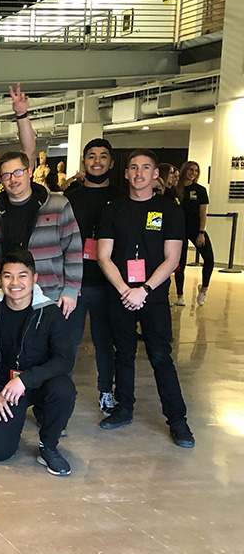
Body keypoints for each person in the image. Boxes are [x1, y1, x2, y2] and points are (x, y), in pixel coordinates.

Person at [96, 150, 194, 448]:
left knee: (161, 357)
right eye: (134, 167)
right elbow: (103, 256)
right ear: (126, 173)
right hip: (121, 295)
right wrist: (125, 290)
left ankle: (177, 420)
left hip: (154, 296)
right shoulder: (112, 209)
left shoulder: (170, 209)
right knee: (123, 354)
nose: (139, 173)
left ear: (155, 174)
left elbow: (172, 258)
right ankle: (124, 408)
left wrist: (145, 290)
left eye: (146, 168)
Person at [0, 250, 77, 476]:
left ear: (34, 278)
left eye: (22, 275)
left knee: (64, 389)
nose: (15, 283)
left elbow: (64, 360)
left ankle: (48, 446)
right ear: (0, 278)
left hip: (37, 384)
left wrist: (25, 380)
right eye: (8, 276)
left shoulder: (50, 312)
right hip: (3, 388)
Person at [0, 150, 82, 319]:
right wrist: (1, 297)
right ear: (1, 179)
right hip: (10, 302)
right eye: (6, 175)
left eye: (18, 172)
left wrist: (71, 289)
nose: (13, 179)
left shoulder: (58, 205)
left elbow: (73, 249)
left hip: (53, 298)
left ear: (30, 171)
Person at [64, 139, 121, 415]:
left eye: (103, 156)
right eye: (91, 156)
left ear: (111, 162)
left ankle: (106, 391)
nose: (97, 161)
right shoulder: (70, 198)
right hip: (74, 283)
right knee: (67, 343)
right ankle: (61, 397)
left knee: (104, 343)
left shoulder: (122, 198)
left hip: (109, 283)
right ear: (84, 162)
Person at [174, 160, 214, 307]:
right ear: (185, 170)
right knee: (180, 264)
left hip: (196, 229)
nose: (193, 173)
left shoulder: (200, 190)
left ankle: (203, 289)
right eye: (191, 170)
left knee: (209, 259)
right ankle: (180, 296)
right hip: (179, 230)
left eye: (196, 171)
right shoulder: (175, 189)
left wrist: (201, 232)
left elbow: (203, 213)